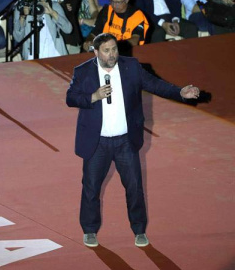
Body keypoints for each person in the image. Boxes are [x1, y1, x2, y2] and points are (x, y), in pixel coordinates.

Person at [66, 33, 200, 247]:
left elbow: (156, 84)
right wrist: (93, 97)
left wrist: (180, 92)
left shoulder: (131, 67)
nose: (112, 54)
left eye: (115, 49)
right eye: (107, 50)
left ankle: (139, 230)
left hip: (125, 143)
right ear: (96, 52)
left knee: (135, 187)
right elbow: (70, 97)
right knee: (91, 188)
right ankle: (89, 230)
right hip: (97, 143)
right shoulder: (83, 72)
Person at [82, 0, 149, 53]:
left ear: (126, 0)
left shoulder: (138, 16)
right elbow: (95, 32)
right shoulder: (106, 11)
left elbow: (135, 40)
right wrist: (89, 41)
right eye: (112, 1)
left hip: (128, 52)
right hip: (105, 53)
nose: (114, 5)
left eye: (118, 2)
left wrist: (112, 46)